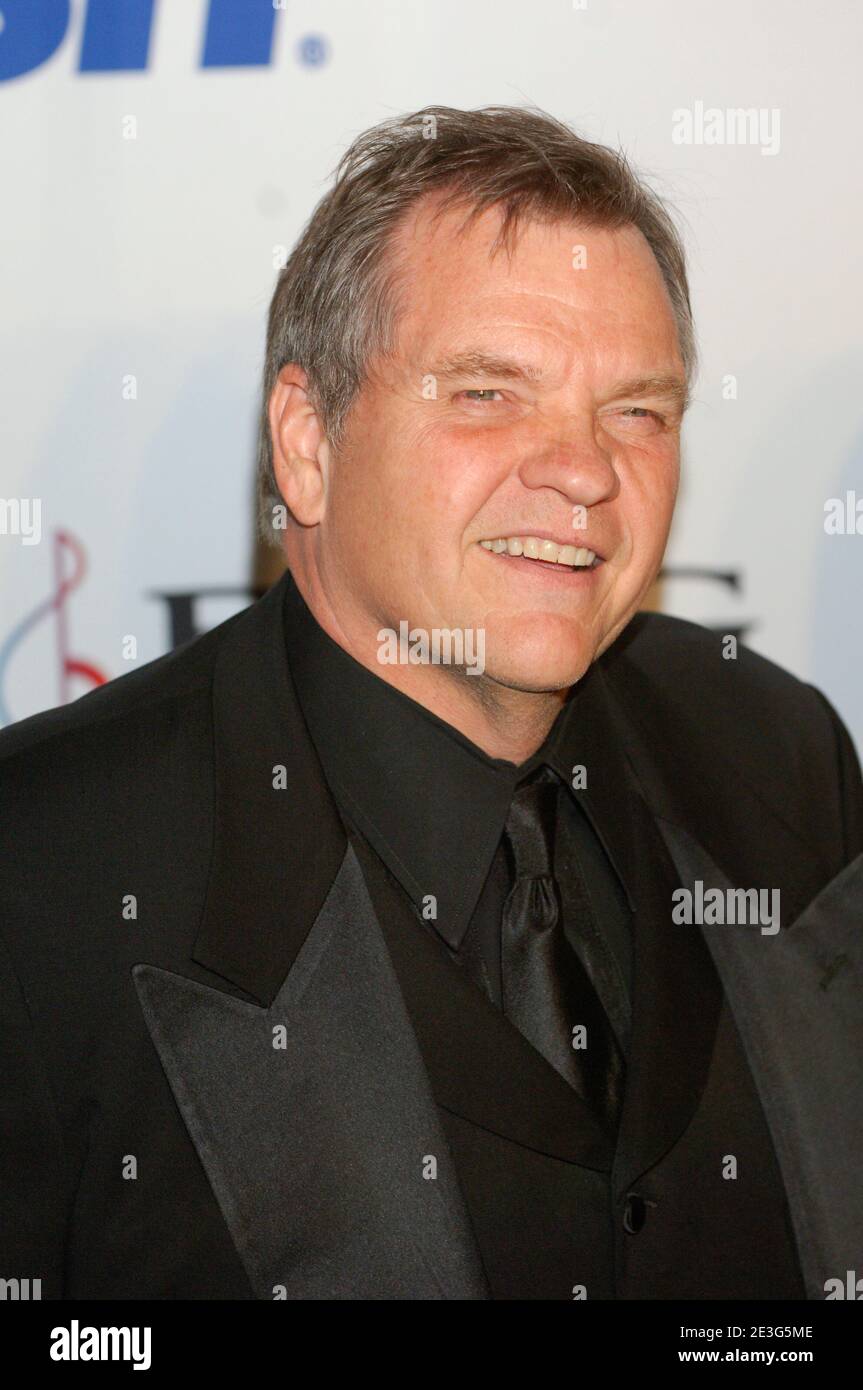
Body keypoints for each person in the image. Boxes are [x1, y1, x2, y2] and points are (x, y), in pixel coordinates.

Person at [1, 106, 861, 1301]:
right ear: (305, 442)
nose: (583, 469)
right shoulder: (45, 864)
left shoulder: (777, 754)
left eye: (636, 410)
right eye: (485, 392)